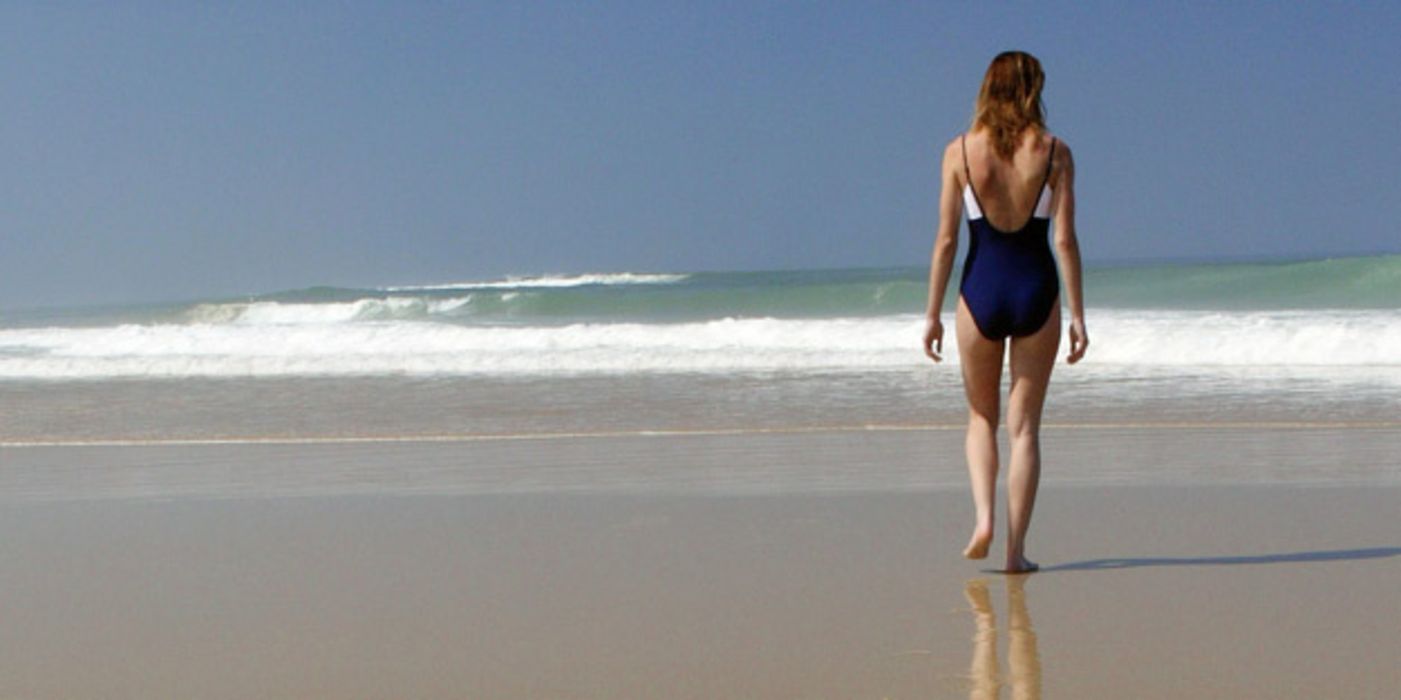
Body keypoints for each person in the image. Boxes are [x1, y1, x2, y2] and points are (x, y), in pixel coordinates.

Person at [923, 51, 1088, 574]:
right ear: (1032, 90)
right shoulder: (1056, 152)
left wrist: (931, 314)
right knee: (1024, 430)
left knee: (980, 418)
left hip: (981, 290)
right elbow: (1063, 239)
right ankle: (1015, 552)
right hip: (1037, 290)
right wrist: (1079, 316)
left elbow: (947, 241)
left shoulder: (959, 152)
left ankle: (984, 520)